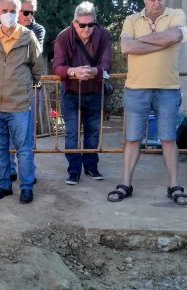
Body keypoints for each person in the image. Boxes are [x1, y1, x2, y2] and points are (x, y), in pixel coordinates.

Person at [107, 0, 187, 205]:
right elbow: (127, 46)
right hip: (136, 89)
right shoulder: (132, 19)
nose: (158, 2)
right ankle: (125, 183)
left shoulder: (176, 14)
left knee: (169, 139)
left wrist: (141, 42)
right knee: (132, 138)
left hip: (168, 89)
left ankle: (174, 185)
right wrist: (161, 40)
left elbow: (176, 36)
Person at [0, 0, 43, 204]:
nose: (8, 14)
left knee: (23, 149)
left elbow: (37, 68)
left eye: (12, 11)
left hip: (18, 104)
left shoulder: (28, 37)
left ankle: (26, 187)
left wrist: (21, 87)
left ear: (18, 13)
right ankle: (4, 185)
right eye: (4, 10)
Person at [53, 1, 112, 185]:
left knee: (93, 132)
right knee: (71, 133)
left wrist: (95, 71)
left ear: (95, 22)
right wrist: (73, 72)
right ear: (74, 23)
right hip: (71, 92)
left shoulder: (104, 36)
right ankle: (73, 171)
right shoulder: (63, 37)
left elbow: (107, 64)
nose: (86, 29)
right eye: (82, 25)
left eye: (90, 25)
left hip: (94, 91)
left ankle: (91, 167)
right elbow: (57, 66)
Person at [2, 0, 45, 184]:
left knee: (27, 134)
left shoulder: (37, 30)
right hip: (7, 89)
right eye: (26, 13)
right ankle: (10, 170)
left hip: (30, 89)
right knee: (7, 132)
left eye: (32, 12)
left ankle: (28, 172)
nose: (30, 17)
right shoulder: (0, 30)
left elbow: (34, 57)